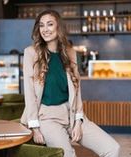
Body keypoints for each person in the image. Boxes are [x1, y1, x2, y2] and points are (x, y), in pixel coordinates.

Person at [20, 9, 120, 157]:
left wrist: (79, 121)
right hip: (47, 117)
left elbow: (77, 89)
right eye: (41, 25)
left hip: (72, 113)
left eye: (50, 24)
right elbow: (30, 94)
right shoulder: (31, 53)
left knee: (113, 148)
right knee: (68, 155)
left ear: (58, 27)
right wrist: (35, 127)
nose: (45, 29)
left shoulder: (70, 52)